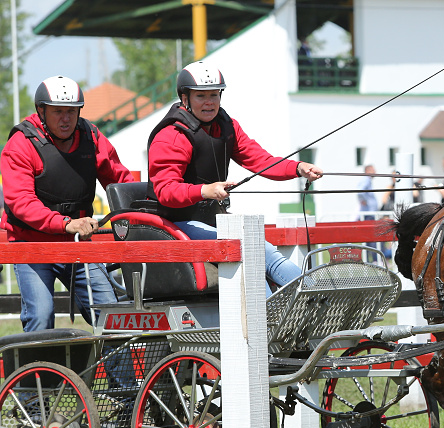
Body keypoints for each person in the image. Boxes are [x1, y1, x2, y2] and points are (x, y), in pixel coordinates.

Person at [147, 61, 322, 297]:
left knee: (264, 250)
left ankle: (314, 299)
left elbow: (259, 160)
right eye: (201, 96)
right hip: (176, 224)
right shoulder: (172, 136)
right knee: (252, 249)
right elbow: (166, 191)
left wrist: (298, 167)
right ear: (185, 98)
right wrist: (204, 191)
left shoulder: (227, 126)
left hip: (212, 220)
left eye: (214, 95)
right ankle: (294, 305)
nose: (209, 102)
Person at [1, 76, 134, 331]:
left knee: (112, 313)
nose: (66, 118)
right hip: (32, 246)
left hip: (77, 243)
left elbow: (120, 181)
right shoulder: (20, 144)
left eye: (71, 112)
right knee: (40, 316)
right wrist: (65, 224)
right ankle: (41, 372)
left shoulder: (91, 137)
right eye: (58, 111)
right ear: (42, 111)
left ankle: (122, 373)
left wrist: (144, 209)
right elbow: (21, 202)